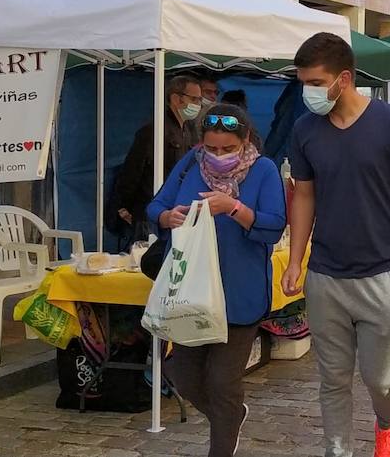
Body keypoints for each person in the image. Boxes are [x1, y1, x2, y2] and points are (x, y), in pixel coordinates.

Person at [280, 33, 390, 457]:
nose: (308, 92)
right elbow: (304, 195)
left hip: (384, 272)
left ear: (344, 78)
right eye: (304, 82)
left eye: (316, 83)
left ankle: (387, 423)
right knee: (333, 378)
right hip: (326, 275)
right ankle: (337, 450)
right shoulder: (305, 130)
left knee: (381, 378)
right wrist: (295, 260)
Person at [149, 105, 286, 457]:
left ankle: (221, 447)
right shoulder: (190, 165)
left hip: (239, 295)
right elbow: (156, 206)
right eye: (212, 148)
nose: (219, 156)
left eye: (228, 149)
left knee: (223, 382)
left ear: (245, 141)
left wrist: (234, 208)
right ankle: (232, 416)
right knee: (186, 378)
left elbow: (273, 224)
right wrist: (167, 217)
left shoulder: (264, 170)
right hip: (190, 294)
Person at [108, 75, 203, 246]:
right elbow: (132, 170)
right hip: (149, 211)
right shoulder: (154, 130)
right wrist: (123, 207)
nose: (198, 104)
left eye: (199, 99)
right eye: (194, 99)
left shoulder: (189, 130)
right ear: (176, 98)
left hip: (179, 210)